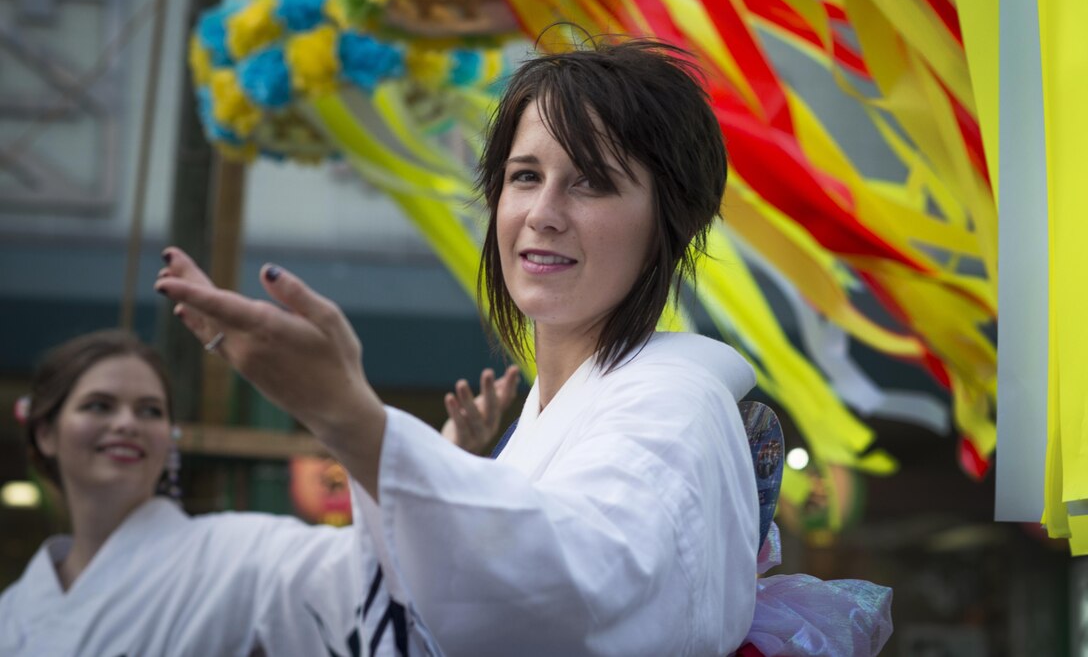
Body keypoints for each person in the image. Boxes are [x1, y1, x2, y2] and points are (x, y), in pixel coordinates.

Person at [154, 37, 789, 656]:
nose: (543, 211)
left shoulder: (675, 401)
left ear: (670, 220)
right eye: (525, 176)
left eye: (591, 182)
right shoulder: (553, 411)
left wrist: (351, 420)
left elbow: (574, 594)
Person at [0, 329, 516, 656]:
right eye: (98, 406)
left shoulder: (230, 555)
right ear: (45, 431)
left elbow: (357, 569)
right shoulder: (13, 612)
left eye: (150, 411)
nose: (127, 424)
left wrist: (430, 473)